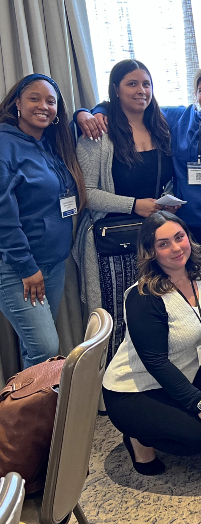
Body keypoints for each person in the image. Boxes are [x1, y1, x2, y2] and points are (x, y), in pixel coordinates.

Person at [76, 65, 201, 409]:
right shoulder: (178, 118)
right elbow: (125, 107)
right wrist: (85, 112)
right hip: (179, 234)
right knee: (171, 309)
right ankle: (137, 392)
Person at [102, 211, 201, 475]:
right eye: (163, 243)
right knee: (196, 438)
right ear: (151, 252)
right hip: (136, 390)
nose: (175, 248)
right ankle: (138, 438)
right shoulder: (143, 296)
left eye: (179, 237)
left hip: (183, 373)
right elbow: (156, 363)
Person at [72, 59, 175, 364]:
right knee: (115, 318)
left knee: (156, 314)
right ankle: (107, 393)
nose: (141, 90)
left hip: (153, 239)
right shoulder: (98, 134)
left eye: (146, 84)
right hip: (109, 244)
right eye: (132, 84)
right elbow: (86, 194)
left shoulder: (161, 127)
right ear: (115, 90)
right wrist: (134, 205)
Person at [0, 74, 86, 367]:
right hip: (18, 268)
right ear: (17, 105)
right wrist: (27, 267)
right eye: (34, 98)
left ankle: (34, 413)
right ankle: (29, 412)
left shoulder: (49, 143)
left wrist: (87, 113)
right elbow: (3, 216)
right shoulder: (5, 145)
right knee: (46, 348)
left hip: (52, 264)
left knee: (34, 350)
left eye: (51, 101)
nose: (44, 106)